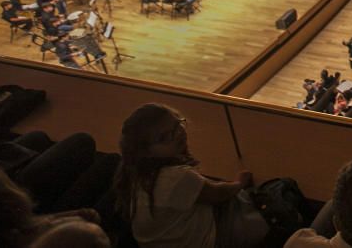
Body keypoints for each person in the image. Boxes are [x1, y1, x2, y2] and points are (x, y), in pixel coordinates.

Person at [115, 103, 268, 248]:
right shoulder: (176, 178)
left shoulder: (134, 173)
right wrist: (240, 182)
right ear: (145, 150)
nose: (178, 134)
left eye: (177, 125)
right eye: (164, 137)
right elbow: (219, 193)